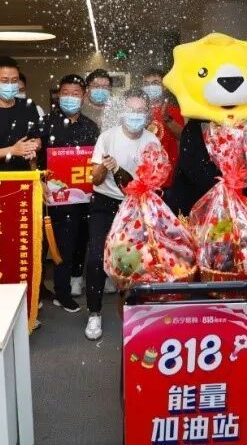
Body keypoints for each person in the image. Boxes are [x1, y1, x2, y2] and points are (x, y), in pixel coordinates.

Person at [84, 89, 160, 340]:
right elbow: (94, 179)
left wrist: (121, 171)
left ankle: (138, 310)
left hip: (137, 204)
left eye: (140, 111)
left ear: (147, 114)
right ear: (121, 112)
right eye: (130, 110)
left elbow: (152, 181)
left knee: (139, 260)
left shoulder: (152, 141)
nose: (135, 115)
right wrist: (104, 169)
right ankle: (94, 312)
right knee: (97, 257)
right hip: (105, 204)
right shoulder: (107, 138)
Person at [40, 74, 100, 312]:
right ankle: (41, 292)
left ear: (84, 96)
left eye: (75, 94)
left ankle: (64, 291)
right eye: (65, 93)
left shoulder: (90, 127)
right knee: (46, 246)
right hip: (49, 197)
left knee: (71, 245)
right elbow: (33, 157)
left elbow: (95, 161)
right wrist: (40, 179)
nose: (70, 98)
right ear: (58, 95)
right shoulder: (45, 123)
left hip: (79, 198)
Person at [141, 67, 185, 186]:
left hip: (168, 177)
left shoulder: (174, 111)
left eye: (155, 83)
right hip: (143, 177)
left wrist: (167, 118)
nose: (150, 87)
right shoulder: (138, 112)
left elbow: (182, 137)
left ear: (164, 86)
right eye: (146, 84)